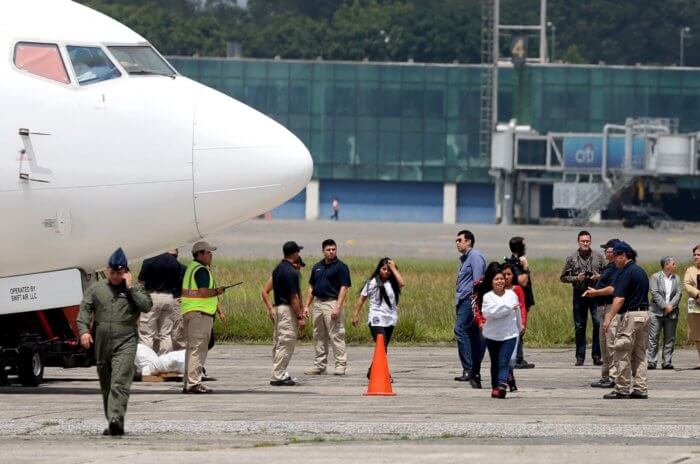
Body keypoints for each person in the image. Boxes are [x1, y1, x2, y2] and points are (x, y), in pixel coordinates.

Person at [77, 248, 152, 436]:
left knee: (119, 382)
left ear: (125, 272)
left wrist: (130, 288)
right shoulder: (97, 288)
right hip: (102, 341)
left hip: (126, 339)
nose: (116, 276)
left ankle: (117, 419)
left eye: (120, 273)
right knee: (107, 384)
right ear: (108, 270)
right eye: (113, 272)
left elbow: (146, 306)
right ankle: (112, 420)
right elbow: (85, 308)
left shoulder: (135, 290)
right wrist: (84, 331)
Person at [601, 241, 651, 399]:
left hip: (630, 316)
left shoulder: (626, 272)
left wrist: (608, 318)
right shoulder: (640, 271)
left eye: (616, 255)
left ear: (624, 256)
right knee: (640, 354)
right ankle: (640, 388)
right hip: (644, 315)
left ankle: (621, 389)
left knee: (622, 351)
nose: (614, 259)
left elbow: (619, 298)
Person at [180, 241, 228, 394]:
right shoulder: (201, 270)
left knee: (192, 349)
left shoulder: (191, 268)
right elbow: (202, 292)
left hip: (190, 312)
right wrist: (217, 291)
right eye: (208, 252)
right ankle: (194, 384)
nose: (211, 255)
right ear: (200, 254)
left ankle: (188, 382)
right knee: (198, 349)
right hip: (200, 315)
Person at [351, 258, 405, 380]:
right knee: (382, 345)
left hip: (390, 318)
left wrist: (394, 268)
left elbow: (402, 283)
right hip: (376, 318)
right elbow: (361, 299)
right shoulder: (372, 283)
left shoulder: (393, 283)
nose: (386, 272)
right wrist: (355, 314)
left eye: (388, 270)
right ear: (379, 269)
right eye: (383, 269)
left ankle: (371, 371)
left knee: (383, 348)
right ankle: (386, 374)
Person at [304, 239, 351, 375]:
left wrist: (337, 306)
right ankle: (320, 365)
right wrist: (306, 305)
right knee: (318, 335)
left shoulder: (341, 267)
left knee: (336, 334)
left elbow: (344, 287)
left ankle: (340, 364)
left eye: (333, 249)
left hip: (332, 303)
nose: (331, 252)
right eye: (328, 250)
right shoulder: (317, 267)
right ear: (323, 251)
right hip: (318, 303)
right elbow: (311, 287)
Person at [262, 242, 307, 386]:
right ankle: (278, 375)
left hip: (278, 308)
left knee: (279, 342)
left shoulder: (278, 269)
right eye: (297, 252)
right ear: (294, 254)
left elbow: (266, 291)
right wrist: (300, 317)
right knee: (286, 342)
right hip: (287, 310)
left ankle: (280, 371)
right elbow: (293, 298)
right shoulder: (291, 272)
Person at [560, 230, 605, 366]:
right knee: (580, 326)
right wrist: (576, 278)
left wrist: (598, 276)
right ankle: (580, 356)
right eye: (583, 241)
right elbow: (563, 277)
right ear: (578, 242)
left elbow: (608, 273)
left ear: (590, 241)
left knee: (598, 324)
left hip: (594, 293)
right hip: (579, 294)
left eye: (587, 241)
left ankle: (596, 355)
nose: (585, 243)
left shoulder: (598, 257)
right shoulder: (571, 258)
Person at [476, 264, 521, 399]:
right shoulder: (488, 297)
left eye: (502, 278)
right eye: (497, 279)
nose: (500, 281)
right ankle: (495, 387)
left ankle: (502, 385)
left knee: (503, 361)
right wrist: (507, 307)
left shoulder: (512, 294)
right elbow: (489, 313)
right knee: (495, 362)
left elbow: (517, 312)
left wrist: (520, 327)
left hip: (509, 335)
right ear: (491, 282)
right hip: (492, 335)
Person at [582, 238, 621, 389]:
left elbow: (613, 288)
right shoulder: (609, 267)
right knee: (604, 344)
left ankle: (613, 376)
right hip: (602, 308)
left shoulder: (617, 267)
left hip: (610, 308)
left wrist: (597, 291)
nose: (605, 252)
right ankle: (606, 376)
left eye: (608, 250)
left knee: (611, 344)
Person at [454, 230, 487, 385]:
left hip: (470, 299)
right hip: (462, 300)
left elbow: (478, 281)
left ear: (469, 241)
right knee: (471, 334)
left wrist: (476, 303)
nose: (457, 243)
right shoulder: (464, 259)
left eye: (460, 240)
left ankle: (469, 369)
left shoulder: (475, 257)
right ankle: (473, 369)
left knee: (460, 330)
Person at [137, 249, 185, 354]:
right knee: (166, 334)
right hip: (168, 297)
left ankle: (148, 360)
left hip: (151, 297)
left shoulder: (149, 259)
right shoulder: (174, 262)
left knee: (147, 334)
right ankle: (164, 360)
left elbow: (140, 281)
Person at [506, 236, 535, 369]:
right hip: (518, 302)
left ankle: (518, 357)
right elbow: (522, 280)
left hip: (523, 301)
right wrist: (526, 268)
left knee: (519, 329)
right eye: (523, 245)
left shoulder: (514, 262)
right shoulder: (514, 264)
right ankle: (517, 358)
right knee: (519, 328)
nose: (526, 247)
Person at [648, 256, 681, 370]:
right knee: (654, 337)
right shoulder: (655, 277)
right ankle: (652, 361)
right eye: (673, 263)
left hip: (672, 312)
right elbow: (655, 293)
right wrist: (665, 306)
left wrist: (671, 306)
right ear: (666, 265)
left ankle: (667, 361)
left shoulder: (676, 278)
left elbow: (678, 294)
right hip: (656, 312)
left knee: (669, 338)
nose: (675, 265)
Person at [501, 263, 527, 391]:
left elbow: (522, 307)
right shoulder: (496, 290)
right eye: (504, 274)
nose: (506, 277)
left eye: (509, 274)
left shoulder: (517, 289)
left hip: (513, 328)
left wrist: (522, 324)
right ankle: (504, 379)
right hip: (499, 328)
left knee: (511, 358)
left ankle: (509, 375)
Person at [682, 245, 700, 369]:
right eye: (694, 254)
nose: (695, 257)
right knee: (697, 334)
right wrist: (697, 293)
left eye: (698, 254)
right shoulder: (690, 270)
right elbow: (686, 284)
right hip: (696, 305)